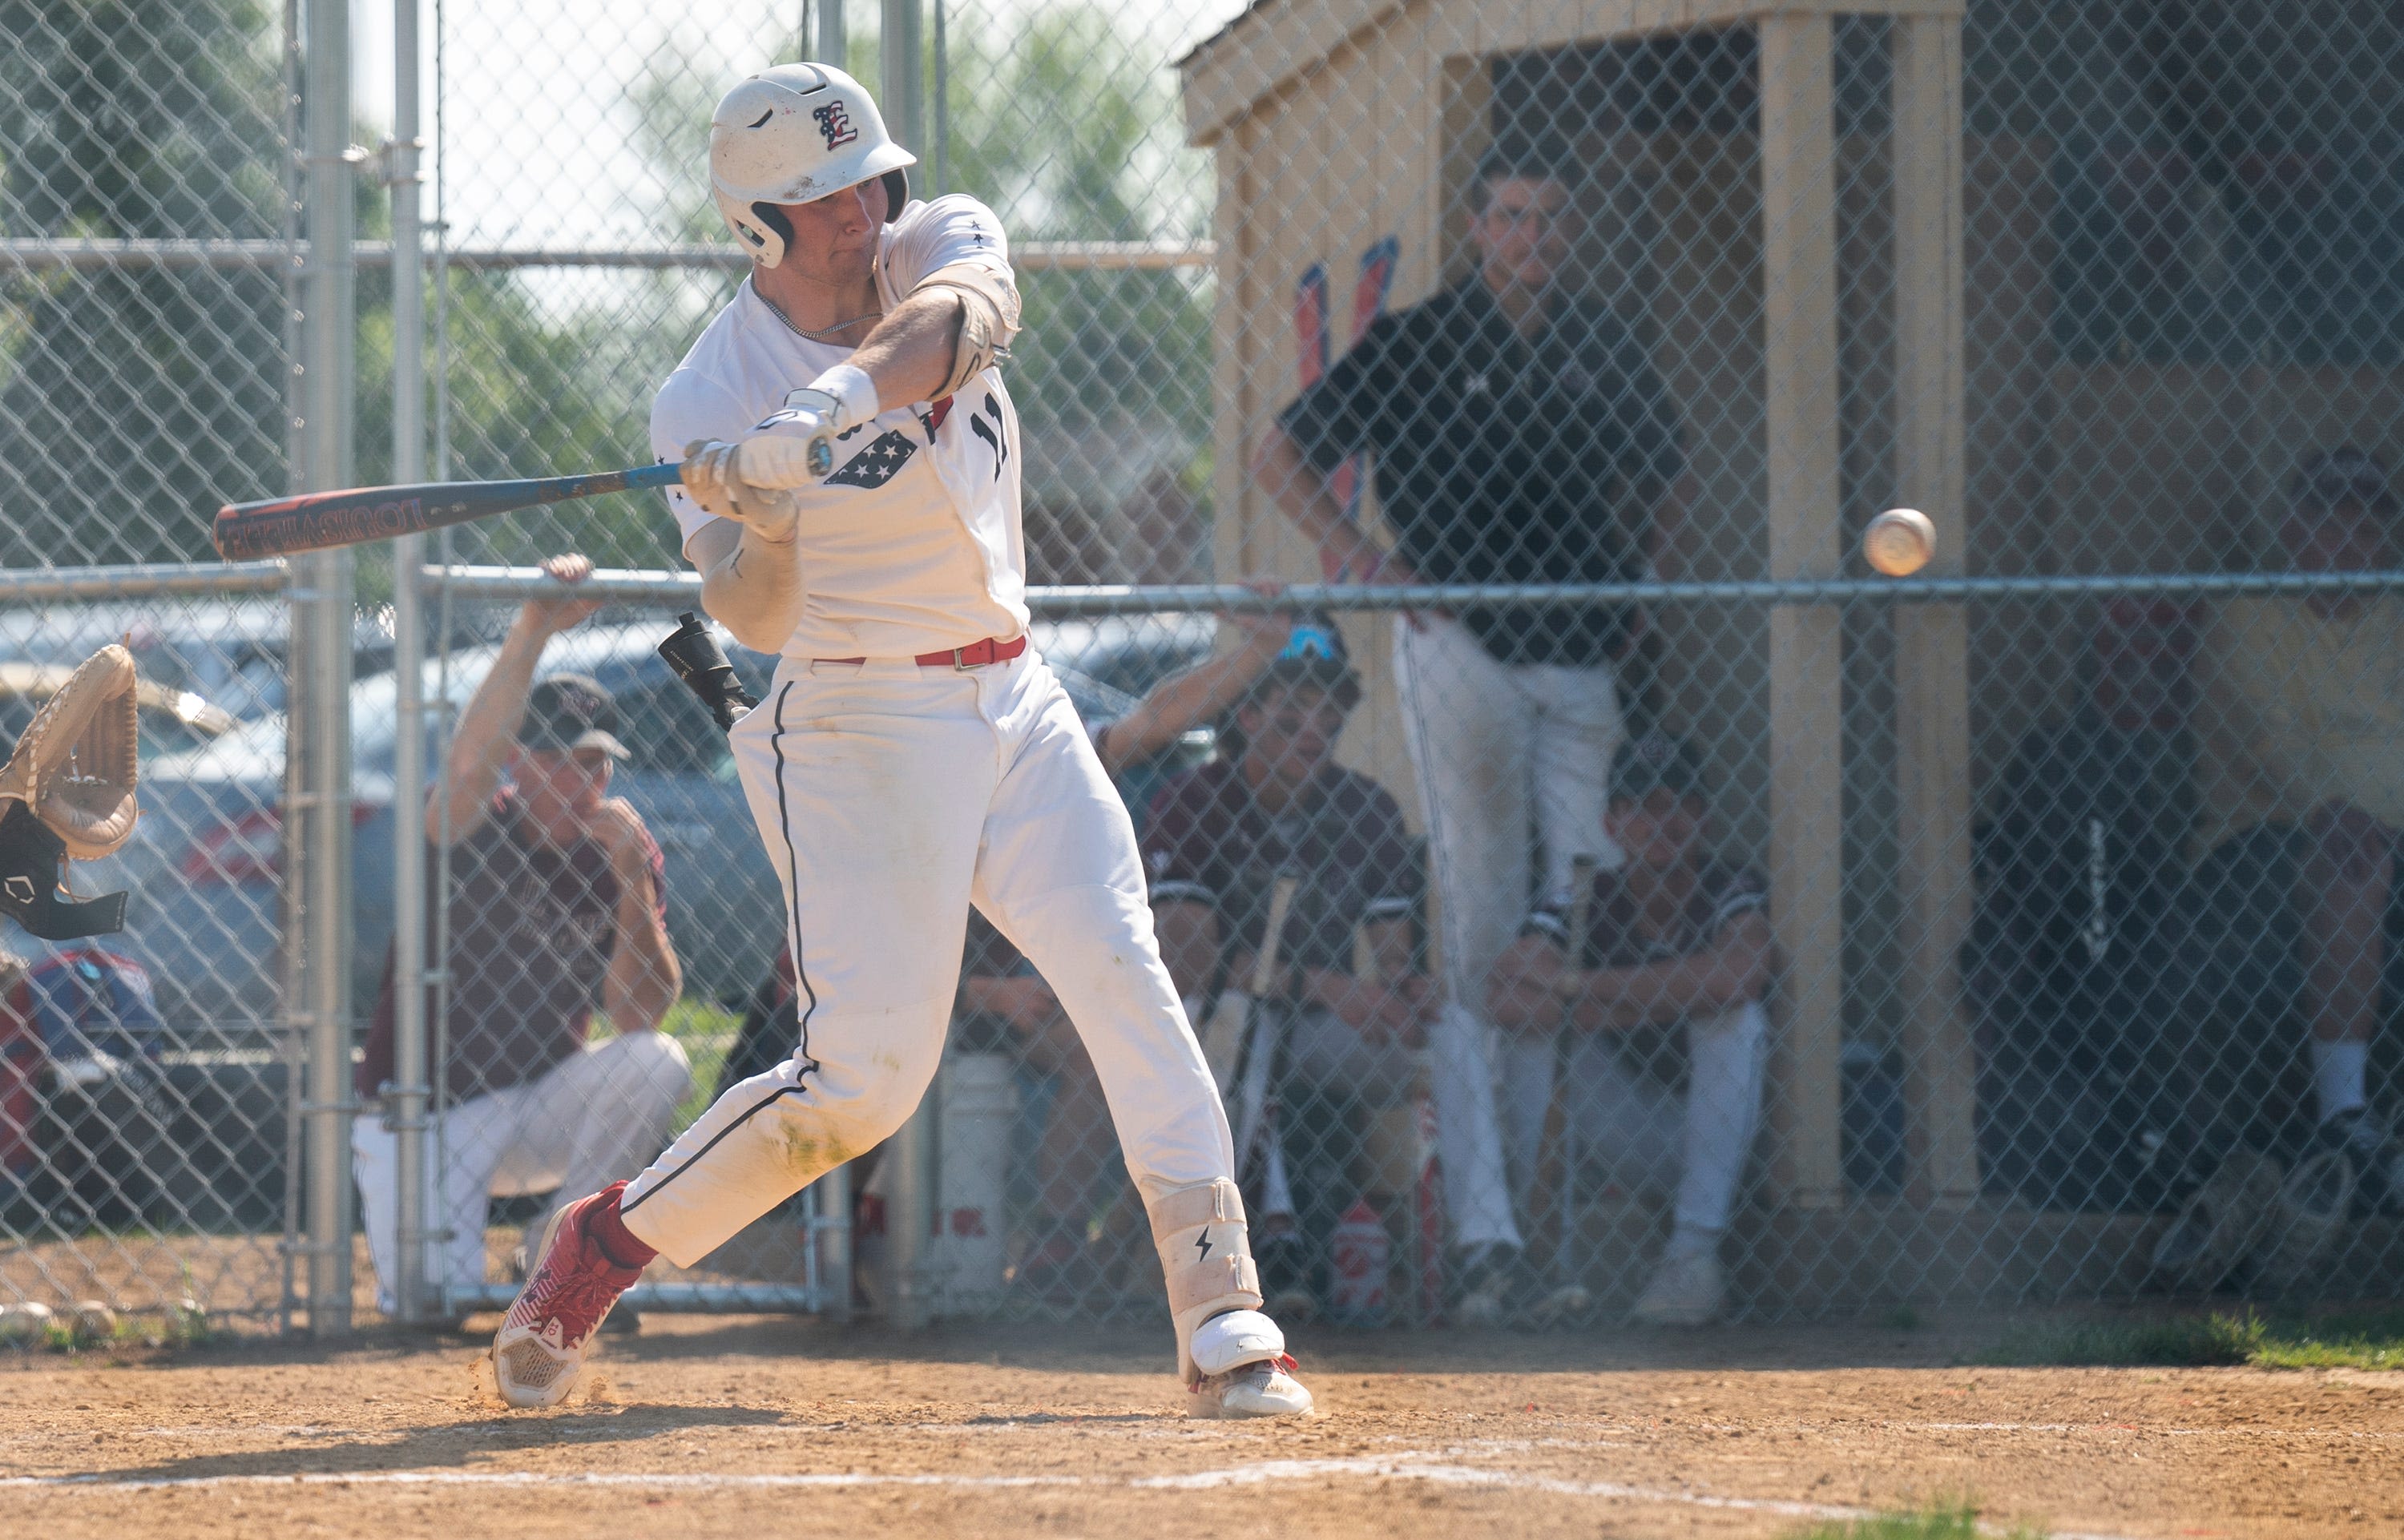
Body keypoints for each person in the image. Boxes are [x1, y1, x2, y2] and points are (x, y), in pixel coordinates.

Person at [495, 64, 1311, 1418]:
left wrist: (825, 414)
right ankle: (602, 1245)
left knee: (1121, 956)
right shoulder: (702, 393)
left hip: (1017, 690)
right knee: (864, 1083)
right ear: (759, 221)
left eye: (870, 178)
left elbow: (963, 318)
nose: (860, 211)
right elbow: (755, 613)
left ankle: (1224, 1304)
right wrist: (759, 512)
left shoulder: (933, 243)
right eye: (820, 200)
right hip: (859, 723)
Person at [1252, 133, 1689, 1305]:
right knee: (1478, 927)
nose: (1532, 238)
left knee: (1565, 930)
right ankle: (1487, 1232)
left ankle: (1528, 1238)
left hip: (1581, 651)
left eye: (1551, 217)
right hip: (1462, 640)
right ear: (1477, 226)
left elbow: (1669, 471)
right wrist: (1355, 553)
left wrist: (1641, 586)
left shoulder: (1601, 337)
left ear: (1571, 227)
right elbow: (1280, 453)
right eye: (1510, 217)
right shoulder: (1420, 340)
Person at [353, 554, 690, 1320]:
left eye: (596, 765)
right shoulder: (477, 824)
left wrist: (634, 881)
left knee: (655, 1062)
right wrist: (533, 628)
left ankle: (564, 1258)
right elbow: (466, 767)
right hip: (424, 1110)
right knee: (426, 1310)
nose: (583, 784)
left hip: (535, 1101)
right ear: (520, 763)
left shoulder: (619, 853)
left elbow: (639, 1015)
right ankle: (465, 1279)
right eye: (560, 762)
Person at [955, 591, 1300, 1304]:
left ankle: (1142, 1255)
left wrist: (1260, 650)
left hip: (1040, 990)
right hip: (943, 1000)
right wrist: (992, 994)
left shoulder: (1036, 762)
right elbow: (849, 965)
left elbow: (1153, 721)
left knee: (1126, 1032)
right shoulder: (904, 783)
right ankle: (1055, 1239)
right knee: (1086, 1048)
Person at [1139, 621, 1434, 1320]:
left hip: (1332, 1030)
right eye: (1292, 709)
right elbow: (1192, 965)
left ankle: (1476, 1253)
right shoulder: (1191, 800)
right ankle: (1244, 1250)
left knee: (1456, 1039)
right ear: (1246, 713)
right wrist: (1330, 986)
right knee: (1249, 1026)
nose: (1316, 727)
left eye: (1329, 711)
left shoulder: (1364, 805)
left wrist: (1402, 986)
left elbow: (1394, 949)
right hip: (1220, 1031)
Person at [1486, 734, 1770, 1326]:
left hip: (1714, 1134)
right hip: (1621, 1127)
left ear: (1702, 817)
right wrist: (1676, 993)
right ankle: (1542, 1262)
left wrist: (1576, 987)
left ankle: (1691, 1256)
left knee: (1736, 1021)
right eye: (1640, 806)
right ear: (1612, 822)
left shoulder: (1729, 884)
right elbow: (1506, 996)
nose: (1657, 821)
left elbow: (1741, 976)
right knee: (1527, 1040)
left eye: (1675, 804)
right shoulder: (1585, 896)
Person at [2192, 446, 2404, 1209]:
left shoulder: (2396, 610)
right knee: (2351, 853)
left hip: (2380, 826)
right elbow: (2270, 747)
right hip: (2263, 844)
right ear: (2290, 525)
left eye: (2367, 518)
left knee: (2365, 842)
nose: (2348, 535)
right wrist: (2338, 799)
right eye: (2326, 515)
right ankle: (2343, 1115)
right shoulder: (2246, 614)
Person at [1964, 598, 2224, 1211]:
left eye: (2165, 657)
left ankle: (2173, 1139)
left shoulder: (2215, 736)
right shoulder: (2068, 758)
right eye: (2121, 653)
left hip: (2204, 950)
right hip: (2069, 1008)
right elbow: (2021, 887)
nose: (2145, 669)